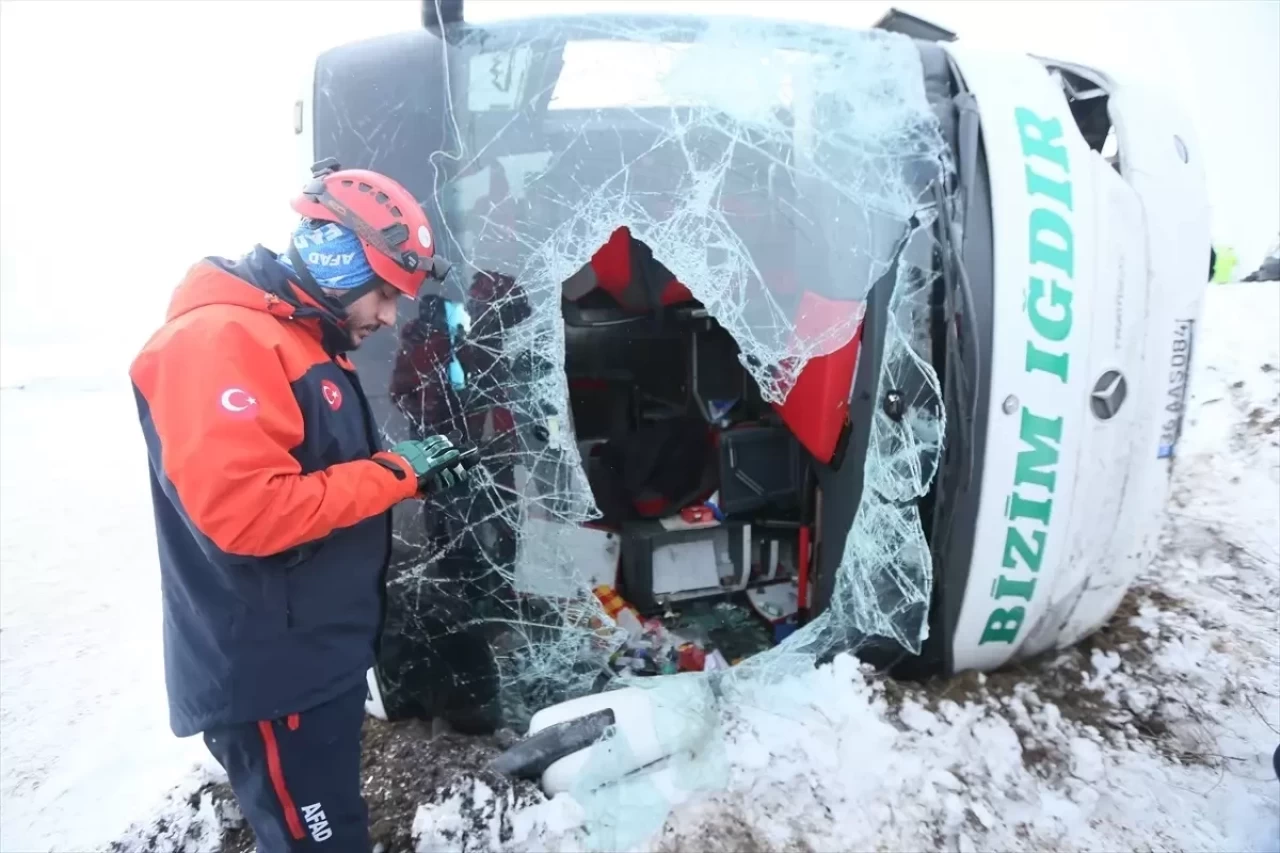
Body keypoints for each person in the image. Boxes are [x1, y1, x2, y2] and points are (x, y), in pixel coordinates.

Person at [129, 159, 479, 851]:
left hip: (314, 657)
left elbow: (320, 476)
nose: (388, 315)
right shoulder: (221, 339)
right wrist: (390, 474)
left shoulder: (299, 337)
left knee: (331, 829)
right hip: (273, 673)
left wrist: (407, 476)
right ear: (337, 260)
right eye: (382, 292)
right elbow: (249, 513)